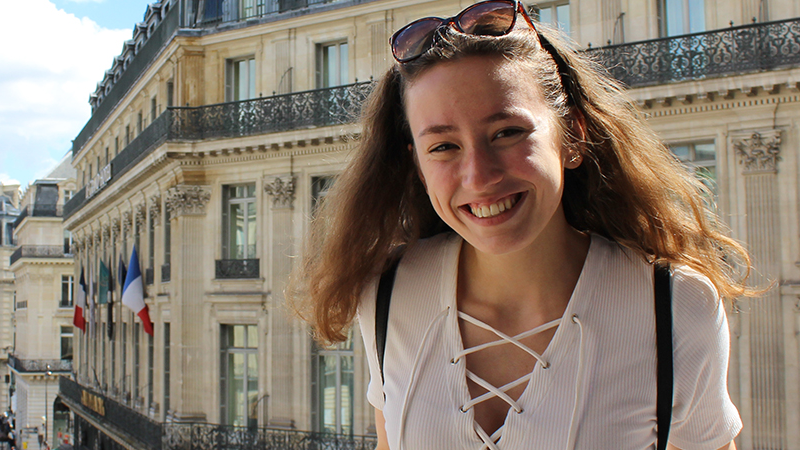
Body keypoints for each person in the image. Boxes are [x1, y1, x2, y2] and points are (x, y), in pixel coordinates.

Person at [290, 1, 758, 449]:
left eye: (507, 133)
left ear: (572, 135)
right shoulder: (388, 293)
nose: (479, 176)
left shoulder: (673, 306)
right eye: (443, 147)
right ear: (417, 165)